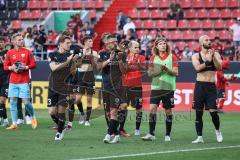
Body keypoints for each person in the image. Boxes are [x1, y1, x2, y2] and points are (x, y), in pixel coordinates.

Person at [141, 37, 178, 142]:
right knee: (152, 109)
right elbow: (150, 73)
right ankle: (151, 133)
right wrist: (160, 71)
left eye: (164, 43)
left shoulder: (172, 57)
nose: (163, 45)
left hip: (168, 88)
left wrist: (166, 69)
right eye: (161, 44)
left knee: (168, 111)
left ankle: (167, 134)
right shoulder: (153, 58)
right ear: (156, 46)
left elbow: (176, 72)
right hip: (156, 87)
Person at [191, 35, 223, 143]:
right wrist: (208, 61)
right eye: (206, 40)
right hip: (199, 86)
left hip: (211, 87)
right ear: (201, 43)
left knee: (213, 112)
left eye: (210, 40)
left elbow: (219, 67)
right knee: (198, 113)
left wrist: (213, 57)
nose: (209, 41)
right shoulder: (196, 56)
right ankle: (199, 137)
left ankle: (217, 131)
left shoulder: (216, 54)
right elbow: (197, 68)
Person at [3, 33, 37, 130]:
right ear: (13, 41)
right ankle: (14, 123)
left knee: (26, 102)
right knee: (13, 102)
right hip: (13, 81)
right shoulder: (9, 53)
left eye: (22, 39)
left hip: (24, 81)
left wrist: (25, 67)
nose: (21, 41)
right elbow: (5, 66)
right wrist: (11, 67)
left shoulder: (27, 52)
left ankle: (33, 117)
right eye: (19, 40)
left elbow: (34, 64)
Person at [47, 35, 78, 140]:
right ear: (60, 43)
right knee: (52, 112)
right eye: (67, 43)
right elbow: (54, 68)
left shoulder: (71, 56)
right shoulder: (52, 54)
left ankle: (59, 132)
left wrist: (74, 63)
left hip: (64, 87)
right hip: (52, 86)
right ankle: (62, 125)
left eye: (70, 43)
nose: (70, 45)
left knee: (61, 111)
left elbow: (73, 73)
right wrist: (67, 61)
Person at [99, 34, 127, 144]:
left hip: (117, 87)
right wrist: (109, 60)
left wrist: (119, 60)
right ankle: (116, 134)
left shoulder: (121, 54)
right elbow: (99, 67)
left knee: (114, 112)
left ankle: (108, 135)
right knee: (107, 113)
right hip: (106, 86)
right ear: (106, 43)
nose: (114, 43)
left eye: (115, 41)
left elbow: (125, 71)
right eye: (111, 41)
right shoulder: (101, 54)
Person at [70, 36, 98, 127]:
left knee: (89, 99)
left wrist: (91, 58)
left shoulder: (94, 53)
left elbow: (95, 66)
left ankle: (87, 120)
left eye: (91, 41)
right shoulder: (80, 52)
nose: (92, 42)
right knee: (77, 99)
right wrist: (81, 57)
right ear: (85, 42)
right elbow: (77, 65)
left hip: (90, 76)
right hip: (80, 76)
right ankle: (82, 113)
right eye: (90, 41)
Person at [121, 40, 146, 136]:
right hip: (126, 85)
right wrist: (130, 63)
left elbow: (144, 69)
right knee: (123, 106)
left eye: (138, 47)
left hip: (137, 86)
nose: (137, 49)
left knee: (138, 108)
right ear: (130, 48)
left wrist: (138, 64)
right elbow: (123, 70)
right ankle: (121, 128)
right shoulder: (125, 57)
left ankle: (137, 129)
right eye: (135, 47)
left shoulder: (142, 57)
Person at [0, 36, 9, 127]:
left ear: (5, 43)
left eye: (2, 42)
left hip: (5, 80)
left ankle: (4, 119)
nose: (0, 43)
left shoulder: (7, 53)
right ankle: (4, 119)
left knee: (2, 101)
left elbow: (7, 64)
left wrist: (2, 61)